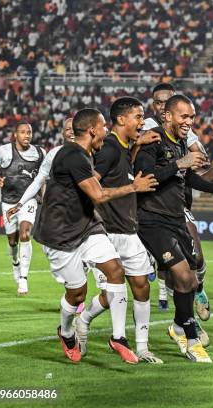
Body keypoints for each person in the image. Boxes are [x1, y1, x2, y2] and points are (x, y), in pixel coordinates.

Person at [32, 108, 158, 363]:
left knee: (115, 271)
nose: (106, 132)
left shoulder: (88, 152)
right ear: (92, 130)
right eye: (103, 127)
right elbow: (98, 195)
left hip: (88, 226)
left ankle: (119, 338)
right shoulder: (72, 155)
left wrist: (135, 142)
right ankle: (66, 332)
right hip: (60, 234)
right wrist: (133, 186)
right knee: (77, 293)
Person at [75, 97, 164, 364]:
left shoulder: (123, 147)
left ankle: (143, 347)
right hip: (107, 233)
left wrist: (137, 144)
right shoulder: (110, 149)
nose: (142, 122)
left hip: (128, 231)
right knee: (112, 294)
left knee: (141, 286)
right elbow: (91, 186)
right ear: (122, 120)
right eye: (138, 116)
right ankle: (85, 321)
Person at [134, 94, 213, 362]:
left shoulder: (179, 143)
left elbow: (187, 177)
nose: (189, 122)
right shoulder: (153, 139)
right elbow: (144, 179)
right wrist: (180, 163)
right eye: (184, 116)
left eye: (192, 117)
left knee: (190, 280)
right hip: (152, 219)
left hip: (176, 219)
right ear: (167, 115)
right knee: (181, 275)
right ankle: (191, 341)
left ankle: (178, 326)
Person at [7, 118, 108, 303]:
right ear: (62, 132)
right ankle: (76, 301)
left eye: (73, 129)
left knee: (98, 251)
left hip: (88, 214)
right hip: (63, 219)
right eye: (67, 129)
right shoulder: (54, 154)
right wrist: (20, 203)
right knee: (71, 275)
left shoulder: (96, 150)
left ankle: (100, 282)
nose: (70, 132)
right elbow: (38, 181)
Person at [0, 120, 45, 294]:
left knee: (25, 233)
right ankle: (15, 263)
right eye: (23, 132)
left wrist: (42, 194)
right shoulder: (3, 151)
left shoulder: (40, 153)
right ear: (15, 135)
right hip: (8, 201)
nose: (27, 135)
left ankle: (23, 279)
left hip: (28, 201)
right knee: (13, 241)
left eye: (29, 132)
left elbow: (42, 177)